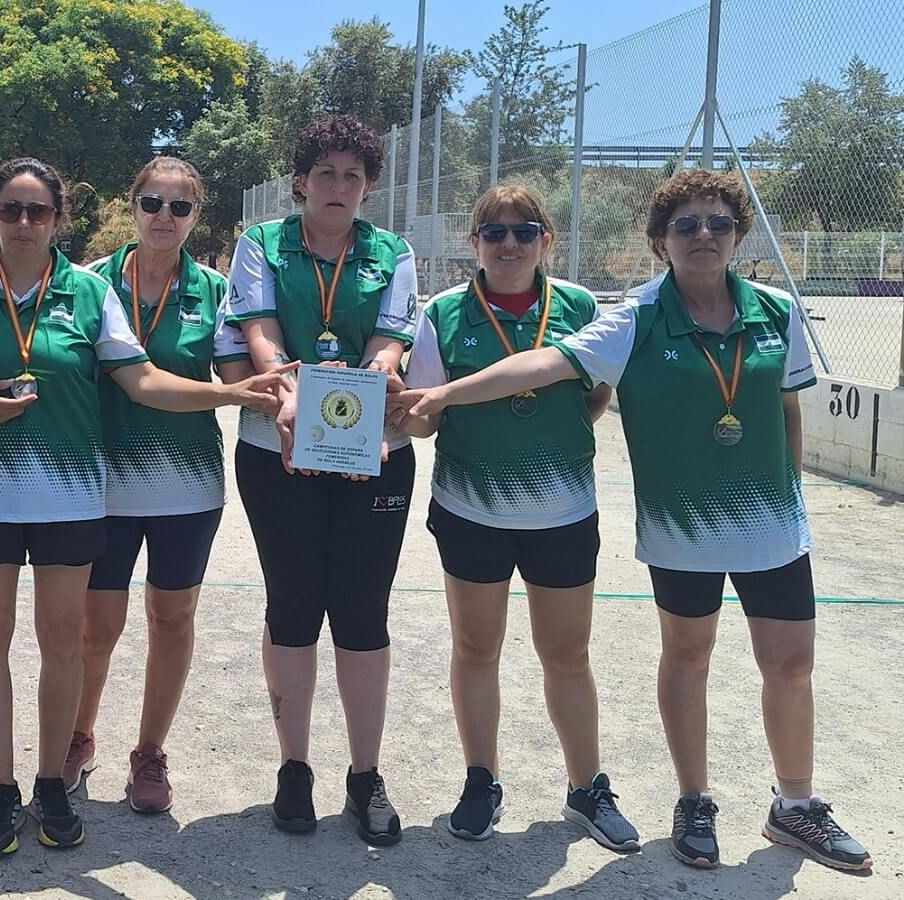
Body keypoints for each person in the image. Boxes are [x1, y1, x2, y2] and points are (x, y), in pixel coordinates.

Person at [395, 169, 872, 872]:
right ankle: (691, 800)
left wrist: (790, 497)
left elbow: (789, 411)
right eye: (685, 225)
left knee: (793, 667)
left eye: (717, 222)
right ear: (660, 242)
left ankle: (794, 806)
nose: (703, 234)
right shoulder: (637, 316)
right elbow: (540, 371)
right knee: (684, 658)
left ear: (738, 234)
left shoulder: (775, 311)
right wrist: (437, 398)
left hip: (771, 526)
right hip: (679, 527)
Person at [0, 157, 287, 856]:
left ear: (60, 219)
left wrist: (235, 395)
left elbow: (142, 379)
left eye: (38, 212)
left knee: (65, 642)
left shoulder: (87, 293)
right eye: (10, 211)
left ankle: (52, 781)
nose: (24, 223)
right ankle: (2, 788)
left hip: (72, 498)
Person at [398, 184, 637, 849]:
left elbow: (594, 397)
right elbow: (424, 421)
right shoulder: (444, 312)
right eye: (494, 233)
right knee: (476, 649)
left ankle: (586, 787)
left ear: (546, 241)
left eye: (524, 232)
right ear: (473, 244)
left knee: (567, 654)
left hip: (563, 513)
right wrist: (393, 407)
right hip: (469, 508)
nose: (509, 244)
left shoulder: (583, 306)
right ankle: (482, 779)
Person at [227, 115, 419, 845]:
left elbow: (389, 341)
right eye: (325, 173)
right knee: (294, 605)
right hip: (275, 446)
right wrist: (291, 397)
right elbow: (261, 332)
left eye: (354, 176)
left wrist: (364, 389)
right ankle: (294, 767)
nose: (339, 187)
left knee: (364, 612)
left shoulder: (390, 250)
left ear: (368, 186)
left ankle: (365, 776)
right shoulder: (263, 244)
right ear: (300, 182)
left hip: (373, 450)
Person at [63, 157, 256, 813]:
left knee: (172, 620)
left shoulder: (216, 291)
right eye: (152, 203)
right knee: (96, 627)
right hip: (102, 486)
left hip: (187, 487)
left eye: (179, 206)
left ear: (196, 215)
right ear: (133, 205)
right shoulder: (88, 286)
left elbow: (238, 367)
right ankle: (78, 736)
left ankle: (149, 752)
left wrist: (291, 390)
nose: (164, 217)